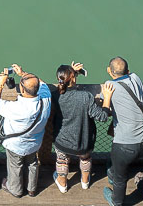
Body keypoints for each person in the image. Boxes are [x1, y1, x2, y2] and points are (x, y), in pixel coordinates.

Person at [0, 64, 52, 199]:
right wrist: (23, 73)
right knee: (32, 163)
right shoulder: (46, 99)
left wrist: (1, 83)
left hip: (15, 145)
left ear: (22, 90)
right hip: (35, 142)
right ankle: (32, 189)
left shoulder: (16, 108)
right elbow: (41, 83)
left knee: (15, 166)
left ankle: (16, 189)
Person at [51, 62, 105, 193]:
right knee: (85, 158)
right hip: (84, 141)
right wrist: (107, 99)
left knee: (62, 160)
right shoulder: (85, 96)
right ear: (73, 78)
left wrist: (71, 73)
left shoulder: (55, 96)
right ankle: (85, 182)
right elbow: (102, 117)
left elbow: (61, 88)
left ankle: (63, 184)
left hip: (62, 140)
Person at [102, 56, 143, 206]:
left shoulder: (109, 85)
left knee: (120, 179)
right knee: (118, 166)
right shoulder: (136, 78)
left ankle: (117, 201)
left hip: (123, 145)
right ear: (128, 70)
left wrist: (107, 97)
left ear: (109, 71)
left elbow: (105, 111)